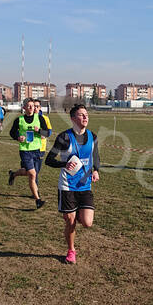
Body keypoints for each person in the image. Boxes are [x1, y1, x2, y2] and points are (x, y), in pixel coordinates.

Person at [44, 104, 101, 264]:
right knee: (70, 221)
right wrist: (64, 164)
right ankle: (71, 251)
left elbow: (95, 157)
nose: (85, 117)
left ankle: (73, 215)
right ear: (73, 119)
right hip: (67, 186)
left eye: (86, 115)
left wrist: (96, 170)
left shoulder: (93, 137)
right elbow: (49, 160)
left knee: (87, 223)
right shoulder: (64, 138)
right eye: (81, 115)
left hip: (85, 186)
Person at [8, 98, 50, 209]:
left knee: (29, 172)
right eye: (29, 105)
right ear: (24, 107)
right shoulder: (19, 120)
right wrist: (18, 137)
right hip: (25, 150)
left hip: (37, 150)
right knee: (32, 174)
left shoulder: (40, 118)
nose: (32, 107)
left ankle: (13, 174)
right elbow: (12, 132)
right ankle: (37, 200)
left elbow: (47, 133)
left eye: (33, 105)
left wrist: (39, 131)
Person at [34, 98, 52, 179]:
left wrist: (41, 132)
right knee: (33, 172)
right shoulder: (25, 118)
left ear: (40, 107)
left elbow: (49, 132)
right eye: (33, 106)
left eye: (37, 106)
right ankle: (35, 191)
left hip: (41, 148)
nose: (35, 108)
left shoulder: (45, 118)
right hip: (29, 148)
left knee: (36, 171)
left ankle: (14, 174)